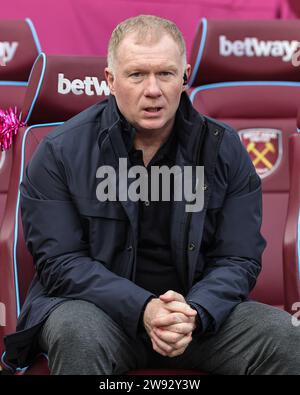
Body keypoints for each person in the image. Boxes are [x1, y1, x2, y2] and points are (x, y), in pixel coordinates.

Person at [4, 15, 300, 375]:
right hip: (100, 316)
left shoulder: (224, 148)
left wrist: (195, 312)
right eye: (136, 75)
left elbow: (239, 258)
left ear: (185, 76)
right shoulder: (59, 152)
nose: (153, 90)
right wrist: (144, 309)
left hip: (195, 321)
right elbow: (61, 265)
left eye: (165, 74)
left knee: (286, 336)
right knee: (76, 330)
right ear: (111, 80)